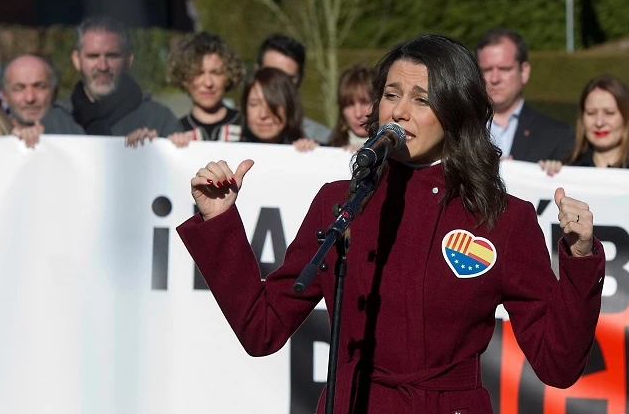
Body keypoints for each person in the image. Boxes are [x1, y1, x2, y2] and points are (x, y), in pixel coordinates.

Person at [177, 34, 604, 413]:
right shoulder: (339, 202)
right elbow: (262, 329)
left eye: (421, 99)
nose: (399, 111)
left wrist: (580, 258)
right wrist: (219, 221)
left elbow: (558, 365)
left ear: (456, 111)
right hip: (354, 402)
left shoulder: (503, 217)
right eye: (391, 94)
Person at [65, 16, 181, 146]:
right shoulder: (53, 122)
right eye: (93, 56)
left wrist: (156, 148)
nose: (103, 66)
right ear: (76, 59)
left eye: (112, 55)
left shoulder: (159, 121)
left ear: (128, 60)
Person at [538, 75, 629, 181]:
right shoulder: (565, 170)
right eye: (591, 113)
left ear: (627, 117)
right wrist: (545, 176)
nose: (599, 122)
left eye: (609, 113)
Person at [475, 28, 574, 162]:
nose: (495, 79)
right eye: (486, 70)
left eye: (504, 69)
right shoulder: (457, 131)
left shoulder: (557, 135)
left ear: (524, 72)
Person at [165, 32, 246, 146]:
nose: (208, 83)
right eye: (198, 73)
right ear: (184, 77)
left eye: (216, 73)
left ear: (229, 75)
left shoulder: (248, 126)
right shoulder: (172, 132)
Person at [256, 33, 331, 144]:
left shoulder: (322, 138)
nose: (279, 85)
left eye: (287, 78)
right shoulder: (230, 133)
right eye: (271, 75)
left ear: (300, 80)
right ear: (256, 72)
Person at [0, 54, 84, 148]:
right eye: (19, 88)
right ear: (4, 96)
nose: (30, 98)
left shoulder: (77, 134)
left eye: (39, 87)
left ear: (54, 91)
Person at [239, 67, 317, 153]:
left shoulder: (312, 152)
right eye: (254, 104)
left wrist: (314, 153)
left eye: (273, 105)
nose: (263, 114)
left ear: (290, 107)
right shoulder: (228, 154)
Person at [327, 64, 374, 151]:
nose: (358, 113)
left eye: (365, 102)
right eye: (350, 104)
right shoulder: (328, 149)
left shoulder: (396, 153)